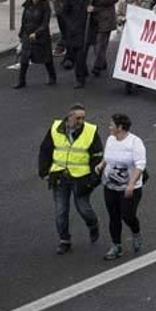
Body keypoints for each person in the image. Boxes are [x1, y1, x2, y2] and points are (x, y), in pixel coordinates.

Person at [37, 102, 104, 255]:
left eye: (83, 118)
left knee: (84, 209)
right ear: (69, 117)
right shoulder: (55, 128)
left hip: (81, 179)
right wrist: (44, 171)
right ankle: (64, 240)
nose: (81, 121)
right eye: (78, 118)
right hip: (60, 177)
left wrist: (94, 179)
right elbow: (45, 150)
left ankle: (93, 225)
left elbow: (97, 156)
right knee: (61, 211)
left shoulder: (90, 131)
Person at [97, 113, 146, 260]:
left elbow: (140, 165)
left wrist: (131, 184)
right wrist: (101, 165)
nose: (109, 127)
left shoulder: (134, 143)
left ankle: (136, 232)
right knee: (114, 217)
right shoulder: (111, 139)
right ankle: (116, 246)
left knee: (127, 215)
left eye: (112, 125)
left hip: (130, 188)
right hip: (111, 186)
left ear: (120, 127)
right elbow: (107, 157)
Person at [16, 0, 57, 88]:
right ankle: (21, 81)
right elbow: (24, 20)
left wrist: (36, 33)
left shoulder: (45, 7)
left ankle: (52, 77)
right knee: (24, 59)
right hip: (27, 35)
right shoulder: (28, 4)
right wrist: (21, 35)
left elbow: (45, 23)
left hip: (41, 37)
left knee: (46, 58)